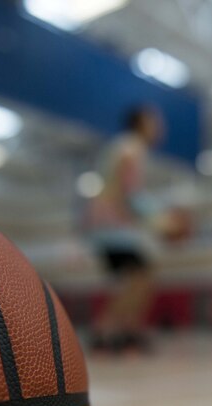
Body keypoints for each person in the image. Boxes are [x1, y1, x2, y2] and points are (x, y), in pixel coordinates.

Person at [86, 105, 164, 353]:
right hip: (114, 227)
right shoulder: (131, 148)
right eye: (155, 121)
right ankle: (108, 330)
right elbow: (130, 192)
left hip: (109, 225)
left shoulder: (122, 146)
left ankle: (123, 329)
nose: (160, 127)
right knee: (140, 277)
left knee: (134, 278)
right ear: (142, 123)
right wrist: (160, 219)